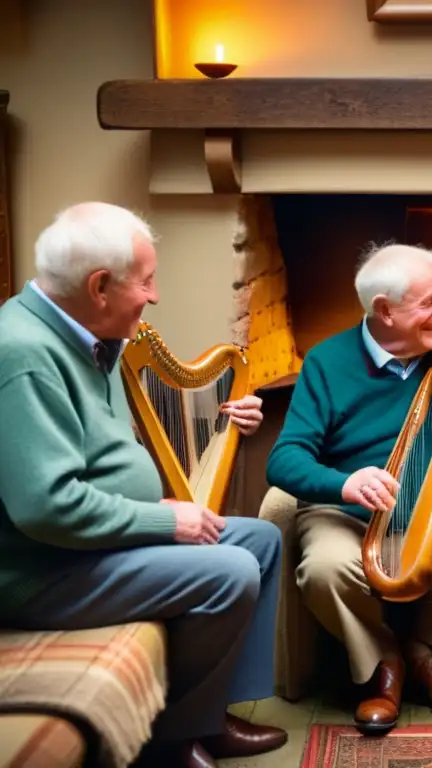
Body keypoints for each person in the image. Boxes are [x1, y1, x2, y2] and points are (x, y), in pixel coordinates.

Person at [0, 203, 287, 768]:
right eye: (148, 281)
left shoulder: (84, 334)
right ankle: (173, 739)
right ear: (99, 286)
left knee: (259, 540)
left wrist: (219, 423)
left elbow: (98, 452)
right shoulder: (25, 354)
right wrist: (164, 518)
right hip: (41, 570)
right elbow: (45, 508)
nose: (155, 296)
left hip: (86, 547)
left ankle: (211, 715)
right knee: (228, 571)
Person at [265, 243, 432, 734]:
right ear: (384, 310)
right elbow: (285, 458)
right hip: (350, 506)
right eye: (429, 303)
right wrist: (346, 483)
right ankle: (385, 663)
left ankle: (430, 652)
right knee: (322, 568)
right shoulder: (326, 361)